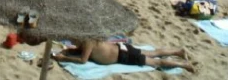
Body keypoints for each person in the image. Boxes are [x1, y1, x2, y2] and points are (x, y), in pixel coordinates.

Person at [53, 40, 194, 72]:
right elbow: (79, 50)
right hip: (123, 48)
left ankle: (184, 65)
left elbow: (83, 60)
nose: (71, 42)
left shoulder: (87, 42)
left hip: (123, 56)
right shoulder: (87, 40)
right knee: (154, 52)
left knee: (156, 62)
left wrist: (64, 58)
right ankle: (178, 52)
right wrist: (68, 51)